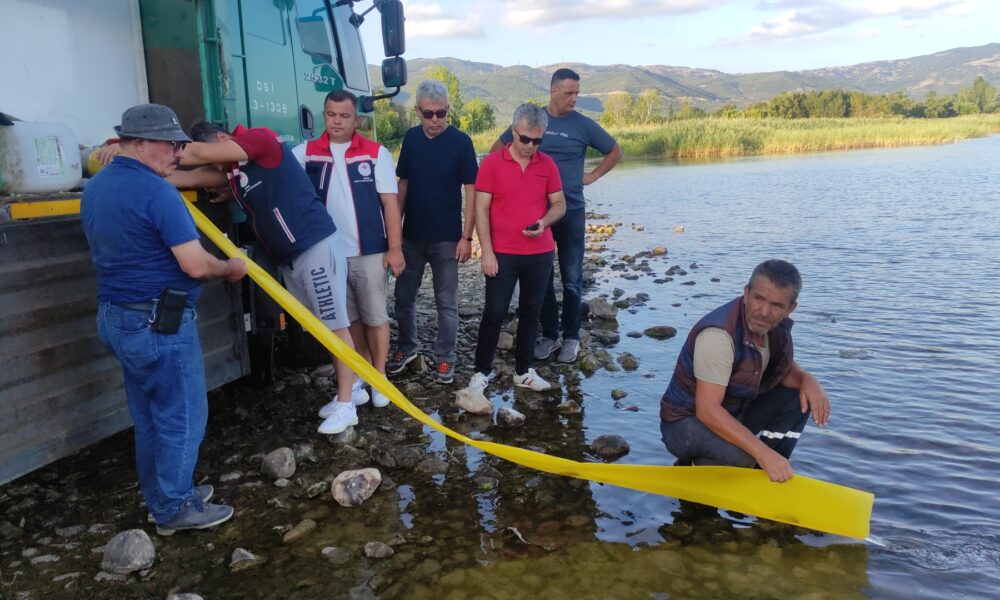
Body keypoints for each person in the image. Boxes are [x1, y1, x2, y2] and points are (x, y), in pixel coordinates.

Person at [81, 104, 247, 535]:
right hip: (158, 322)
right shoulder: (157, 192)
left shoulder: (98, 186)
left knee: (151, 417)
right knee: (183, 414)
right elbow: (194, 264)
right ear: (138, 144)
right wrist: (230, 267)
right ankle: (175, 508)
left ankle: (164, 496)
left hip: (116, 317)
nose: (177, 153)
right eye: (169, 144)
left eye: (179, 145)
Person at [165, 120, 360, 435]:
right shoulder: (235, 173)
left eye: (215, 156)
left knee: (335, 326)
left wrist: (130, 147)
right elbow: (186, 176)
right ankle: (348, 390)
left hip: (314, 247)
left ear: (223, 138)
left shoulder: (261, 139)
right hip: (291, 257)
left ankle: (348, 403)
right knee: (321, 328)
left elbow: (197, 155)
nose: (215, 165)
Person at [659, 260, 832, 483]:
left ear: (790, 309)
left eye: (777, 305)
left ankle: (771, 469)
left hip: (733, 412)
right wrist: (761, 452)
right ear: (746, 292)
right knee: (743, 458)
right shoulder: (718, 336)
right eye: (758, 298)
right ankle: (701, 470)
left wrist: (808, 380)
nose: (764, 312)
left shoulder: (773, 328)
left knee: (798, 397)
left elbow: (782, 371)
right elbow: (707, 410)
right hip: (684, 424)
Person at [493, 68, 623, 364]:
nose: (574, 98)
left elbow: (615, 151)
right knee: (542, 278)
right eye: (569, 93)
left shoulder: (583, 125)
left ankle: (571, 337)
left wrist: (591, 176)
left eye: (577, 93)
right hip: (539, 213)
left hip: (572, 211)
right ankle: (550, 335)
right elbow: (498, 149)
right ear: (553, 91)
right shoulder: (534, 121)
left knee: (572, 278)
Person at [292, 90, 402, 408]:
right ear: (323, 115)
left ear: (356, 119)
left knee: (376, 317)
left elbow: (390, 204)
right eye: (331, 115)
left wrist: (395, 249)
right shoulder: (305, 153)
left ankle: (380, 379)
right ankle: (357, 380)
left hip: (369, 251)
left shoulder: (376, 153)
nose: (337, 121)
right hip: (328, 255)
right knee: (347, 320)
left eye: (344, 116)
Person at [467, 103, 566, 393]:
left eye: (537, 141)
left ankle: (524, 371)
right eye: (525, 139)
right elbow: (480, 208)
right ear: (513, 131)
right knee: (494, 312)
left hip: (539, 253)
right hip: (502, 253)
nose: (530, 146)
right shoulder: (492, 164)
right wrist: (486, 252)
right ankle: (480, 373)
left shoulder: (547, 164)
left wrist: (544, 222)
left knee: (531, 312)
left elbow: (559, 204)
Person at [388, 80, 479, 384]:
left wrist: (467, 237)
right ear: (418, 111)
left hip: (447, 239)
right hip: (411, 237)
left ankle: (446, 357)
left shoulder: (462, 143)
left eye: (441, 113)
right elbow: (403, 184)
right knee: (403, 297)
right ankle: (407, 347)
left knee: (446, 303)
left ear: (448, 110)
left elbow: (472, 191)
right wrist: (395, 235)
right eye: (428, 114)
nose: (435, 120)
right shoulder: (411, 139)